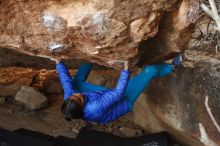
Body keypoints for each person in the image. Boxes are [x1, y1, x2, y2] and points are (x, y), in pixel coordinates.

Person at [52, 56, 182, 124]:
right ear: (81, 106)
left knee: (74, 84)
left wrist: (58, 63)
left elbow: (66, 82)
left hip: (98, 96)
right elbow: (118, 93)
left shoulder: (70, 99)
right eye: (79, 98)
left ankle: (89, 59)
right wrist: (125, 70)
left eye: (74, 96)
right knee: (150, 70)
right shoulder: (95, 108)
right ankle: (173, 66)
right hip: (122, 101)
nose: (77, 94)